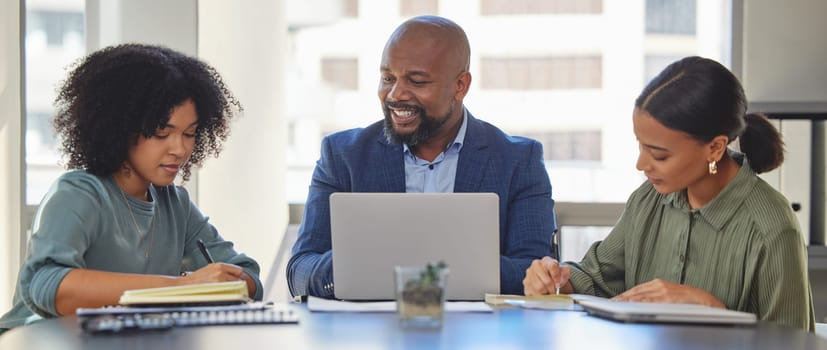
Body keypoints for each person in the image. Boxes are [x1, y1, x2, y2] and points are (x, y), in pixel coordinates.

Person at [522, 56, 815, 331]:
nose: (641, 164)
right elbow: (595, 277)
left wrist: (711, 309)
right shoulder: (649, 200)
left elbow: (792, 342)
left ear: (715, 147)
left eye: (659, 155)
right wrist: (554, 279)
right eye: (641, 146)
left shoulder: (772, 227)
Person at [287, 15, 556, 298]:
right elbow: (300, 270)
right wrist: (360, 262)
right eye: (387, 78)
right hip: (371, 338)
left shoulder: (518, 160)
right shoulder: (343, 156)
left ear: (460, 86)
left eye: (416, 81)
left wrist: (417, 265)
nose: (395, 94)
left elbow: (535, 272)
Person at [0, 44, 263, 332]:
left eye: (189, 133)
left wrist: (218, 283)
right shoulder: (78, 193)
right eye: (162, 133)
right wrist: (184, 286)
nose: (180, 148)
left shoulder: (175, 204)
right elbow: (51, 287)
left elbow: (248, 277)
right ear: (121, 127)